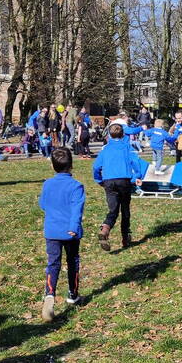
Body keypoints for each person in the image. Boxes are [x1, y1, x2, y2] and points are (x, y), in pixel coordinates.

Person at [38, 148, 86, 321]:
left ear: (52, 166)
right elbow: (77, 209)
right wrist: (73, 226)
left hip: (51, 231)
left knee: (53, 263)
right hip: (70, 232)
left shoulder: (47, 184)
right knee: (72, 261)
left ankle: (49, 294)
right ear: (71, 165)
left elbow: (42, 204)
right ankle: (73, 294)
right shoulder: (76, 186)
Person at [93, 123, 144, 251]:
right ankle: (125, 238)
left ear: (109, 135)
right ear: (123, 135)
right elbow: (136, 163)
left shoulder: (105, 149)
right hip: (124, 181)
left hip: (109, 182)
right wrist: (137, 176)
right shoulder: (127, 147)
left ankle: (105, 230)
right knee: (125, 211)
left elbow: (96, 167)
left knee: (113, 210)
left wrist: (99, 180)